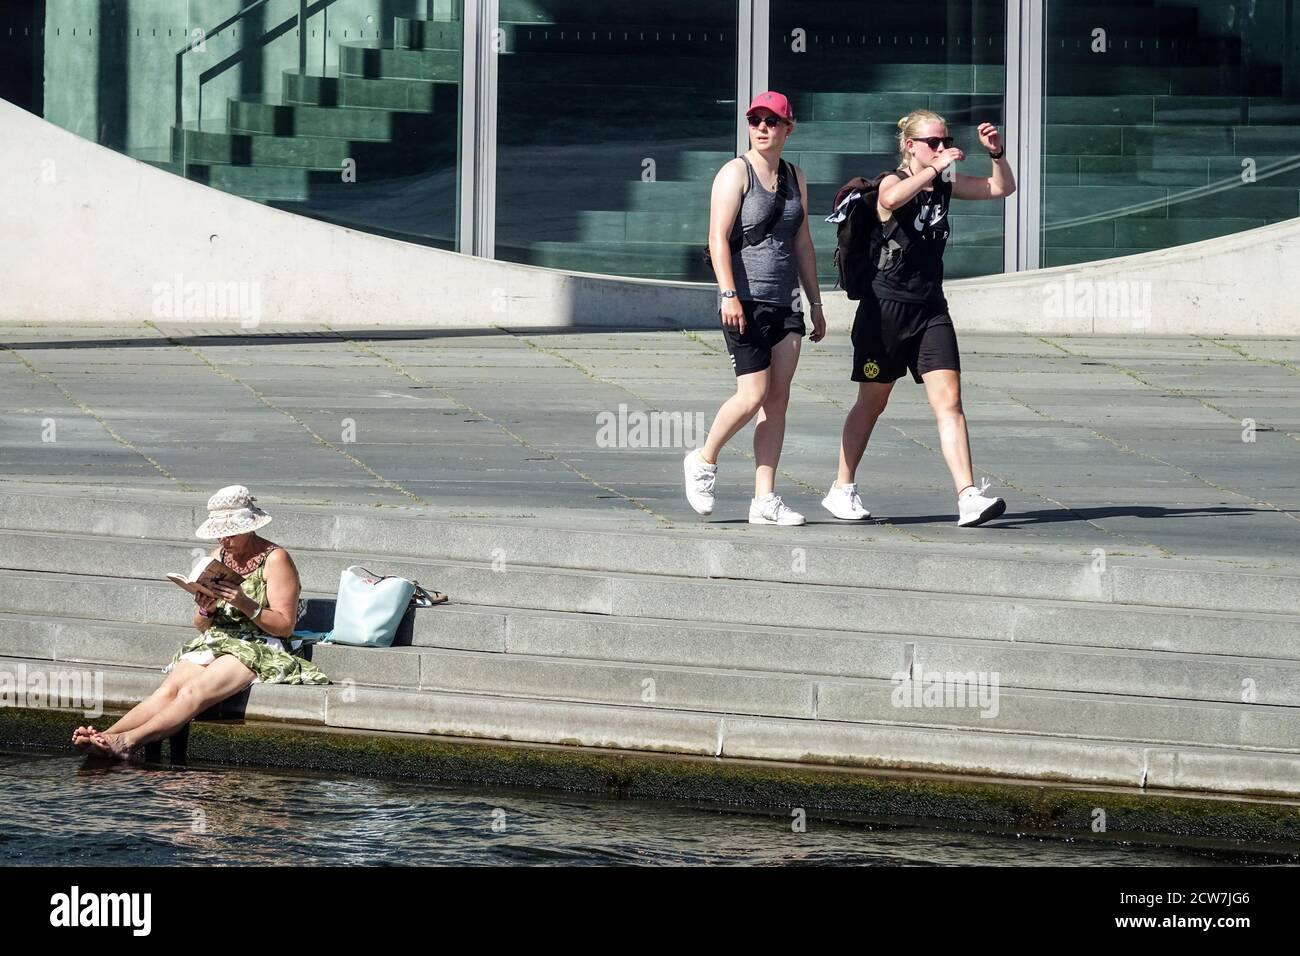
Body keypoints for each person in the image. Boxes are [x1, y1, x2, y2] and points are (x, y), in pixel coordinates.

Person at [823, 110, 1015, 527]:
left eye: (944, 141)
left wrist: (996, 154)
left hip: (930, 308)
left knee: (950, 401)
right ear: (910, 146)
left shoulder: (943, 182)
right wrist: (935, 170)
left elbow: (1002, 188)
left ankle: (967, 496)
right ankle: (842, 488)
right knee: (872, 403)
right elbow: (890, 201)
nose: (942, 149)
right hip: (884, 309)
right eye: (932, 143)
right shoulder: (891, 180)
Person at [72, 485, 327, 760]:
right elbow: (203, 626)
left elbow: (285, 625)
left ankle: (127, 742)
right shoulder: (220, 556)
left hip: (260, 645)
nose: (223, 539)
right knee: (168, 690)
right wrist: (206, 610)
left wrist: (244, 602)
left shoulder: (276, 559)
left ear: (249, 527)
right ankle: (106, 735)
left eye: (230, 532)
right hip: (219, 639)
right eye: (219, 532)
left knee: (193, 691)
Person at [684, 90, 827, 526]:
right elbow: (716, 237)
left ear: (789, 127)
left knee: (777, 402)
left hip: (785, 302)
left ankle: (764, 499)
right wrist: (728, 293)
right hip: (744, 300)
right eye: (755, 120)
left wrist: (817, 302)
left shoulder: (794, 176)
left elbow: (802, 242)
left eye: (772, 121)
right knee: (752, 395)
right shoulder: (735, 172)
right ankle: (704, 460)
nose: (762, 128)